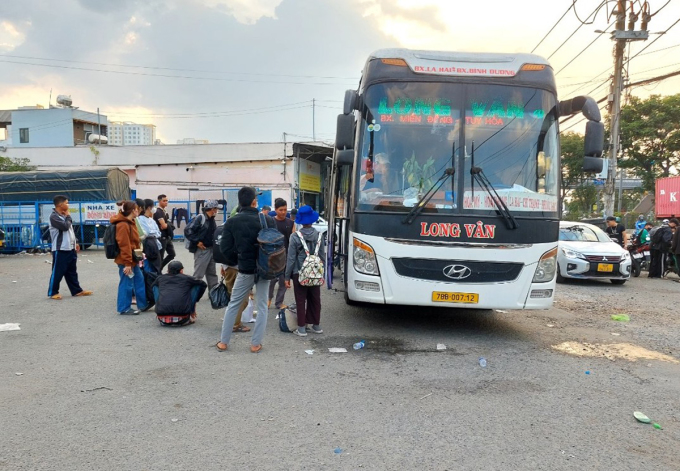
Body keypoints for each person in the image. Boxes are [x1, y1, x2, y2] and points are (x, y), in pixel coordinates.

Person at [216, 186, 274, 353]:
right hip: (264, 269)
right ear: (254, 202)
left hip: (245, 268)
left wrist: (237, 259)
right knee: (262, 305)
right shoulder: (267, 219)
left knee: (233, 303)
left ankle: (224, 342)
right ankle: (255, 344)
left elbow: (225, 248)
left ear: (239, 202)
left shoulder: (233, 221)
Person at [285, 205, 325, 337]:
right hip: (315, 272)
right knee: (315, 299)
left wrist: (286, 277)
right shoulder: (319, 236)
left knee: (300, 300)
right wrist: (321, 274)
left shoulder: (295, 237)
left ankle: (301, 328)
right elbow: (322, 256)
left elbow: (291, 259)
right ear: (312, 220)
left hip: (299, 273)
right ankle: (316, 325)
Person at [47, 195, 93, 300]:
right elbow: (64, 227)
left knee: (72, 271)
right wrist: (68, 216)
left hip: (70, 248)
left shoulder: (64, 215)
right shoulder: (54, 216)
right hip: (61, 249)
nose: (68, 205)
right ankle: (53, 292)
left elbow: (70, 230)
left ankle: (76, 290)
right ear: (60, 204)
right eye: (67, 203)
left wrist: (75, 242)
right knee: (58, 271)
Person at [110, 200, 147, 314]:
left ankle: (142, 305)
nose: (138, 211)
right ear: (132, 210)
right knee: (127, 283)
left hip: (132, 259)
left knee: (138, 280)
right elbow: (124, 245)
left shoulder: (131, 222)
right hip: (126, 260)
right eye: (137, 209)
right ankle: (124, 308)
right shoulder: (123, 225)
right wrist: (127, 264)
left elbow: (133, 242)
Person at [152, 261, 207, 326]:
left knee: (155, 286)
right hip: (183, 318)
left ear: (168, 270)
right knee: (197, 285)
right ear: (181, 271)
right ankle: (191, 310)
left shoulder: (160, 278)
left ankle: (159, 305)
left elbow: (153, 286)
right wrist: (195, 300)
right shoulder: (187, 278)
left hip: (162, 318)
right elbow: (203, 284)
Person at [268, 198, 294, 309]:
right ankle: (268, 300)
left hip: (285, 256)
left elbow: (293, 240)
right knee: (271, 281)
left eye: (285, 210)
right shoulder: (270, 221)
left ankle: (279, 303)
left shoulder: (290, 223)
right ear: (275, 209)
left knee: (283, 282)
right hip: (272, 256)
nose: (283, 212)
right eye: (280, 210)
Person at [189, 199, 221, 290]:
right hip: (202, 250)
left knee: (212, 273)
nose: (217, 211)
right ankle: (193, 294)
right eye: (216, 209)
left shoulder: (211, 219)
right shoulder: (201, 218)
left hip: (211, 249)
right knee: (199, 274)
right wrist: (197, 242)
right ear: (212, 209)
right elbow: (188, 231)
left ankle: (214, 293)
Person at [138, 199, 163, 274]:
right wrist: (153, 233)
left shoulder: (152, 220)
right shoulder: (140, 219)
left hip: (155, 245)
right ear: (149, 207)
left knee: (156, 265)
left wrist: (152, 233)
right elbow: (146, 233)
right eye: (153, 206)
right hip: (146, 245)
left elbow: (158, 233)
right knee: (147, 265)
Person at [154, 194, 175, 270]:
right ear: (159, 201)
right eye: (164, 201)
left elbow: (167, 225)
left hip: (167, 237)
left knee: (172, 254)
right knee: (160, 256)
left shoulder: (164, 211)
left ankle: (160, 268)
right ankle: (158, 271)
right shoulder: (158, 211)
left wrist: (168, 225)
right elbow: (164, 226)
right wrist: (168, 225)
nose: (166, 202)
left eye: (167, 200)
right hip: (161, 237)